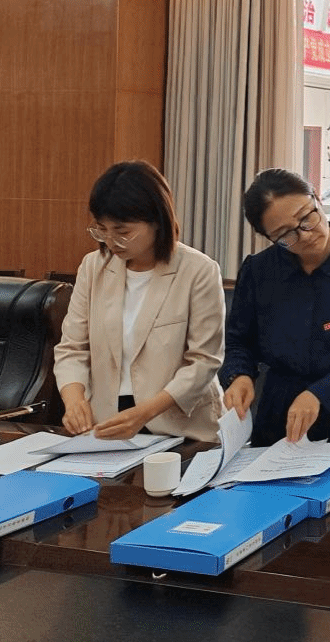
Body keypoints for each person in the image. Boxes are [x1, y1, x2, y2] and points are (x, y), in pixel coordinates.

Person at [218, 169, 330, 450]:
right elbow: (239, 341)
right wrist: (239, 375)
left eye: (306, 217)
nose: (304, 234)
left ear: (317, 198)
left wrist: (320, 393)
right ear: (268, 237)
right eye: (285, 234)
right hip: (281, 413)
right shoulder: (258, 271)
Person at [53, 161, 225, 442]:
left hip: (180, 426)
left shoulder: (199, 270)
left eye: (122, 232)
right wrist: (74, 400)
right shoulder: (93, 267)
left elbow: (204, 361)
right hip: (107, 424)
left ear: (156, 221)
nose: (111, 241)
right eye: (102, 230)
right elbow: (72, 348)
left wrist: (143, 414)